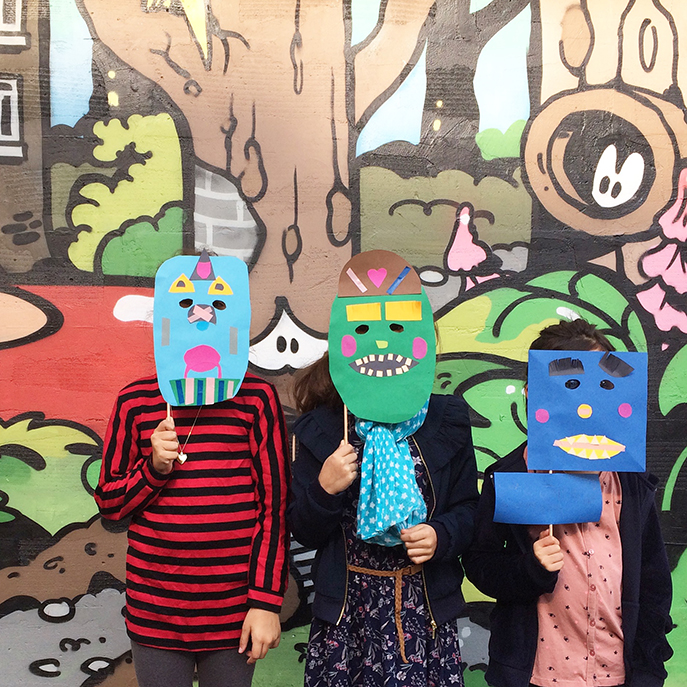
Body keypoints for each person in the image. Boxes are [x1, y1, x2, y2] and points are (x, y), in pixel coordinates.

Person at [462, 319, 673, 687]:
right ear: (534, 394)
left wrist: (649, 667)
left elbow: (653, 580)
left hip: (616, 673)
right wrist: (530, 569)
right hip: (537, 675)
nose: (586, 405)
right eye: (571, 385)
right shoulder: (511, 476)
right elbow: (480, 564)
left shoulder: (629, 483)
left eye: (603, 385)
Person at [287, 352, 479, 686]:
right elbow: (304, 530)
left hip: (422, 613)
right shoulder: (325, 428)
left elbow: (469, 509)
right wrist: (324, 489)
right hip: (348, 617)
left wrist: (441, 535)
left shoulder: (444, 420)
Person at [95, 372, 290, 687]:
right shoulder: (134, 400)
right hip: (156, 610)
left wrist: (265, 602)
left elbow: (275, 506)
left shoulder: (256, 397)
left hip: (234, 612)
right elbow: (109, 502)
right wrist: (153, 468)